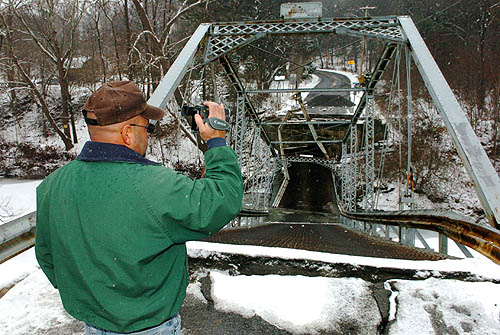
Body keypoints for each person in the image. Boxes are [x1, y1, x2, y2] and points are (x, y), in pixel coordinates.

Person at [35, 81, 243, 334]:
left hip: (94, 325)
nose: (148, 135)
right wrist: (217, 143)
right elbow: (222, 199)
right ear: (128, 134)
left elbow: (47, 256)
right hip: (152, 327)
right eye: (148, 128)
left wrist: (98, 300)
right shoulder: (156, 186)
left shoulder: (52, 186)